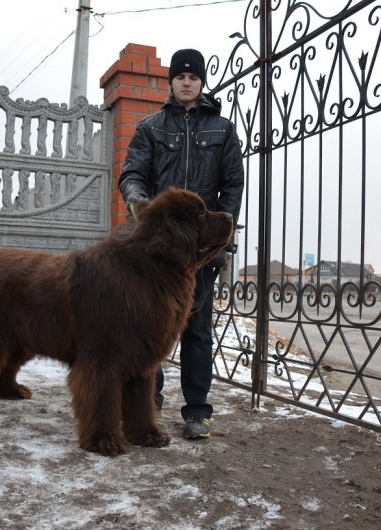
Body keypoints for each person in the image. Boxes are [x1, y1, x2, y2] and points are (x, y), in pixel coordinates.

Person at [118, 48, 245, 440]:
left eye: (193, 76)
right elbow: (132, 173)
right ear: (171, 82)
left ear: (202, 82)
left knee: (196, 330)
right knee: (147, 328)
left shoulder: (222, 130)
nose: (186, 81)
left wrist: (219, 240)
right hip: (155, 252)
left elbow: (233, 186)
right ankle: (146, 404)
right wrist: (137, 201)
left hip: (200, 252)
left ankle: (197, 412)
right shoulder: (151, 127)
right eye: (180, 76)